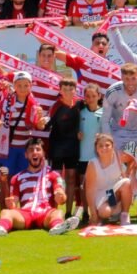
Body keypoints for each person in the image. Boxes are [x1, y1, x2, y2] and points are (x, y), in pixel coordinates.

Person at [0, 140, 81, 238]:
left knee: (57, 213)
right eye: (31, 150)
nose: (35, 152)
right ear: (26, 155)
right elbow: (13, 202)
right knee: (6, 212)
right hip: (26, 213)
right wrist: (11, 203)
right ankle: (0, 228)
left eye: (38, 149)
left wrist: (61, 196)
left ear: (43, 154)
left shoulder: (53, 175)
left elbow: (61, 197)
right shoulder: (17, 177)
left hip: (46, 212)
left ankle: (57, 227)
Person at [0, 71, 47, 178]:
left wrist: (41, 123)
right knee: (6, 177)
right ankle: (7, 195)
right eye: (19, 85)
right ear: (14, 86)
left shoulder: (35, 105)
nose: (22, 88)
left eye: (26, 85)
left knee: (23, 177)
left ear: (30, 86)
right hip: (8, 148)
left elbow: (38, 126)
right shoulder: (6, 102)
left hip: (24, 147)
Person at [101, 63, 137, 161]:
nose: (130, 82)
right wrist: (109, 140)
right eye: (127, 79)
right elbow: (105, 119)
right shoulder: (112, 91)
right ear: (121, 77)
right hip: (119, 132)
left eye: (133, 78)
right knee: (118, 163)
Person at [47, 77, 82, 218]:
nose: (68, 92)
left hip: (73, 147)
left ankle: (69, 212)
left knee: (71, 179)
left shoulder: (80, 105)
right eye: (65, 89)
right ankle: (53, 211)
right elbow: (46, 125)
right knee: (55, 179)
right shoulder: (56, 106)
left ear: (75, 90)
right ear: (60, 90)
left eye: (71, 89)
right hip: (56, 147)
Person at [84, 133, 135, 226]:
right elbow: (89, 190)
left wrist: (129, 173)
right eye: (101, 146)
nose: (104, 148)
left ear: (112, 146)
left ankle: (124, 214)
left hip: (115, 191)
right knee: (105, 212)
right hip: (102, 194)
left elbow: (132, 158)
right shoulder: (92, 164)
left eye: (107, 145)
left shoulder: (118, 156)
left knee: (127, 182)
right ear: (96, 148)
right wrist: (93, 214)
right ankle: (112, 213)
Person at [77, 83, 103, 221]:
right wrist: (77, 134)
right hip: (83, 156)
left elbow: (109, 133)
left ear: (99, 96)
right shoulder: (81, 113)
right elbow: (75, 130)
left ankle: (100, 210)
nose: (91, 98)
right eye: (88, 96)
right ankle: (85, 212)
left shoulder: (104, 112)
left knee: (99, 185)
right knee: (84, 185)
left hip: (99, 157)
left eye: (94, 96)